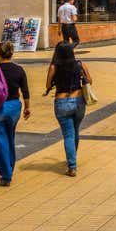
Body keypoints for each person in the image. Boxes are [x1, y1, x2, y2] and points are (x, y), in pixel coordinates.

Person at [0, 41, 30, 186]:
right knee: (9, 138)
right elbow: (25, 91)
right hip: (14, 108)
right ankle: (10, 167)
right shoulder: (19, 70)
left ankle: (6, 175)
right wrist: (27, 108)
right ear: (12, 53)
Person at [45, 43, 92, 176]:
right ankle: (72, 158)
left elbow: (47, 85)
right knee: (75, 131)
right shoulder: (80, 65)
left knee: (68, 134)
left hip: (62, 103)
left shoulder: (54, 67)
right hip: (78, 101)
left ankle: (72, 166)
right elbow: (90, 80)